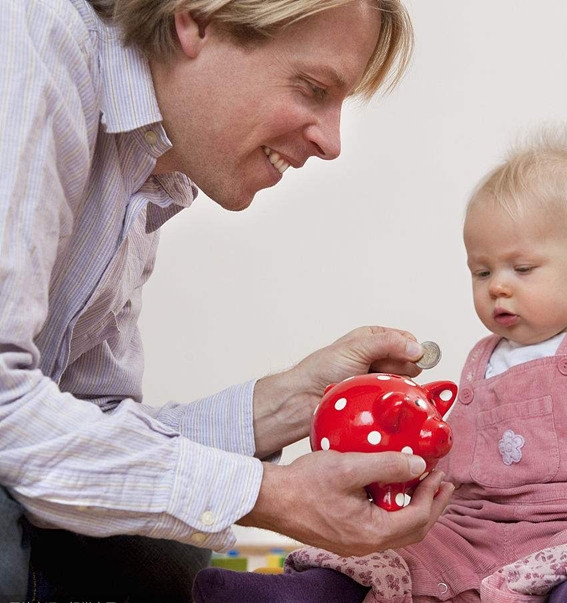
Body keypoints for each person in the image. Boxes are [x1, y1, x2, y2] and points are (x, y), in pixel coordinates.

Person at [0, 0, 455, 600]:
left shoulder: (144, 173)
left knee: (153, 554)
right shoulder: (29, 49)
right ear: (195, 20)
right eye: (314, 87)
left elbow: (90, 426)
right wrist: (272, 496)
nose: (332, 141)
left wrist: (299, 402)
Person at [192, 125, 567, 603]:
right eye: (481, 272)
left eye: (522, 267)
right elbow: (457, 459)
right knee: (397, 555)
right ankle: (302, 593)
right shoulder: (483, 362)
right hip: (474, 529)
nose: (497, 285)